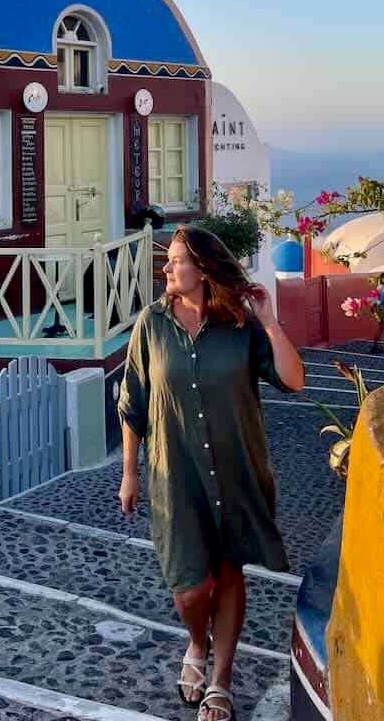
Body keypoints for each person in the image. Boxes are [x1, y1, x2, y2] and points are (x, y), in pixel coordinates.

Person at [117, 226, 305, 721]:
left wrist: (269, 321)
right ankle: (196, 642)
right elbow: (132, 403)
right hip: (174, 477)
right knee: (190, 587)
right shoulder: (151, 324)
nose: (167, 268)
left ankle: (220, 680)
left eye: (176, 260)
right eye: (168, 261)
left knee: (228, 572)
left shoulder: (241, 325)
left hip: (237, 471)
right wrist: (129, 473)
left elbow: (293, 379)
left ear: (203, 268)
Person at [369, 281, 384, 353]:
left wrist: (375, 314)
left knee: (380, 329)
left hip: (379, 311)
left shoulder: (378, 288)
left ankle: (375, 346)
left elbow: (373, 304)